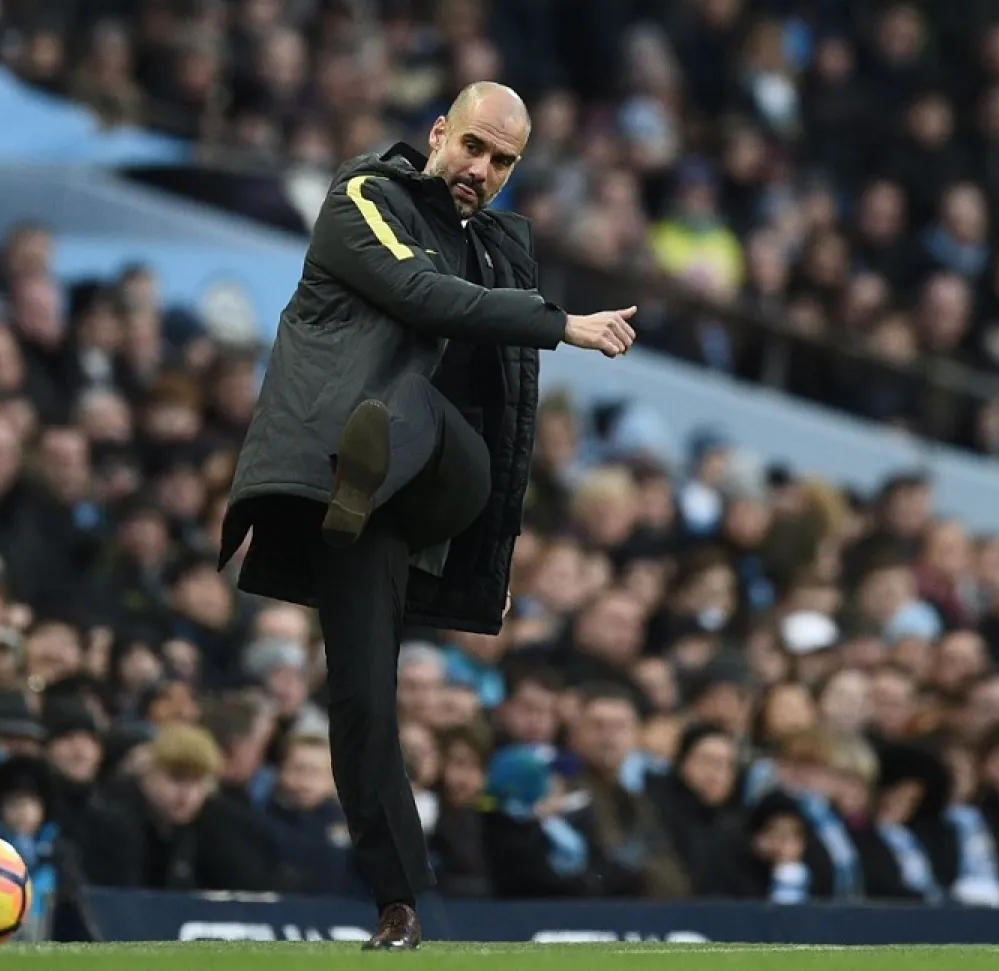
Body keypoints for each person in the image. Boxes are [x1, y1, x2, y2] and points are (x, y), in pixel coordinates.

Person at [218, 80, 637, 948]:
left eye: (502, 162)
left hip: (446, 479)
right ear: (439, 133)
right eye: (474, 147)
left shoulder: (498, 251)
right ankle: (399, 903)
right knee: (362, 696)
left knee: (425, 414)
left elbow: (506, 416)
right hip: (354, 500)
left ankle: (373, 455)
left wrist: (494, 559)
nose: (481, 170)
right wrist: (563, 324)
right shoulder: (364, 196)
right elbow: (418, 295)